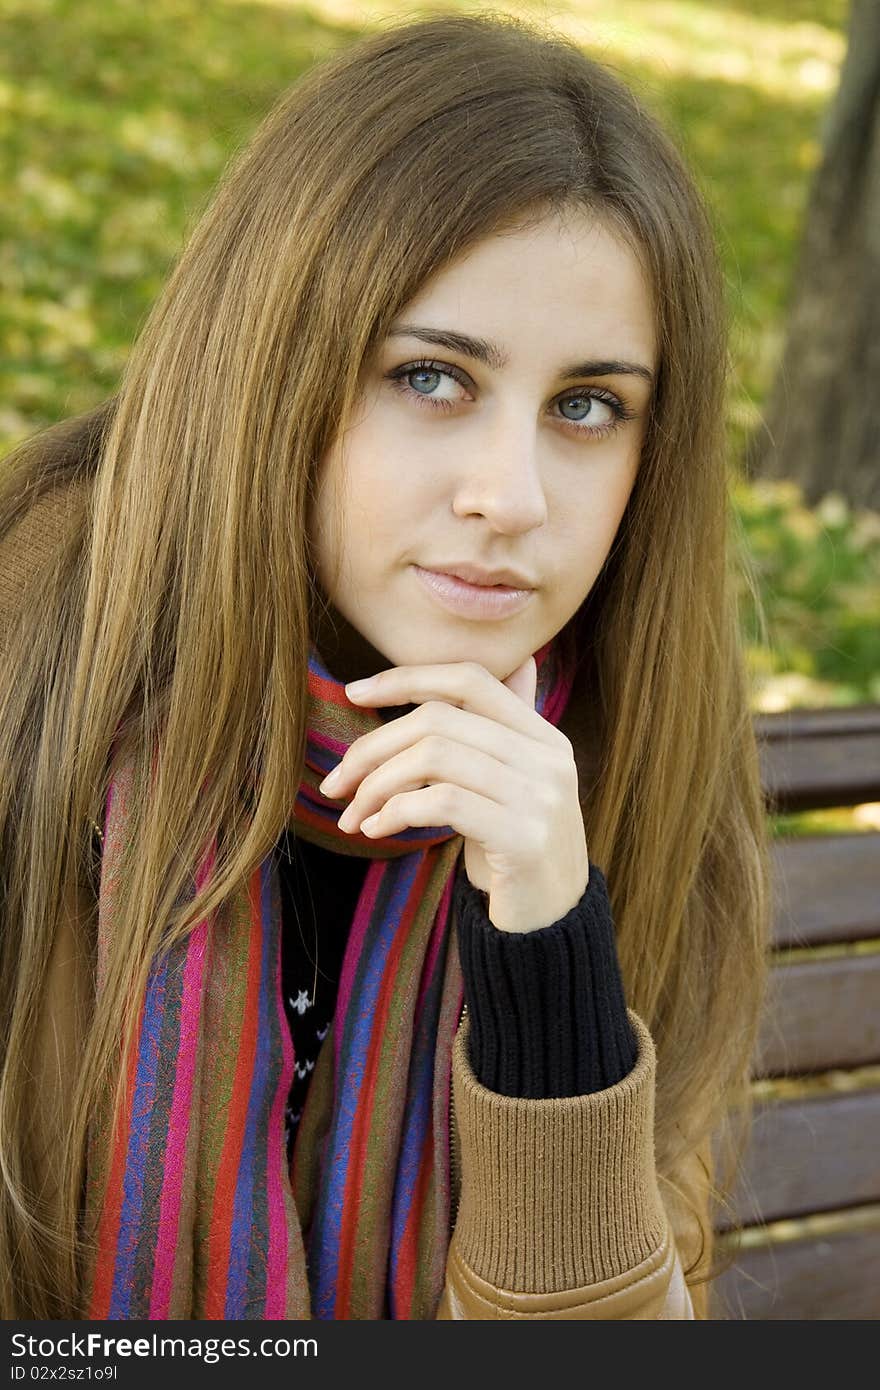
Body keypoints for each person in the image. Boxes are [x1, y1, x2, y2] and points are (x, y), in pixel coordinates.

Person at [0, 11, 771, 1320]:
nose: (512, 495)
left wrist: (552, 958)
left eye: (588, 406)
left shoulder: (627, 755)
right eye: (431, 376)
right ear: (277, 363)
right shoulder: (43, 674)